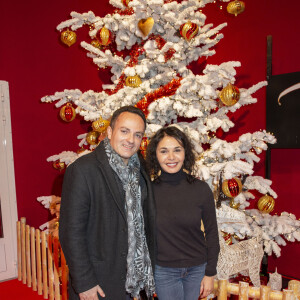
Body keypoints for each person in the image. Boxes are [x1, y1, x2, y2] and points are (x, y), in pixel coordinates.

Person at [59, 106, 156, 300]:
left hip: (136, 284)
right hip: (99, 284)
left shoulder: (141, 170)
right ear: (110, 131)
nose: (130, 140)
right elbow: (71, 231)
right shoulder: (82, 170)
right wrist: (85, 283)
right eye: (124, 131)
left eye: (137, 135)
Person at [146, 126, 220, 300]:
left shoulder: (201, 189)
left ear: (185, 152)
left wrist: (210, 273)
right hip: (164, 271)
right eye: (164, 151)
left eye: (177, 150)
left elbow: (212, 234)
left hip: (197, 269)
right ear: (156, 155)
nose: (171, 157)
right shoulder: (148, 191)